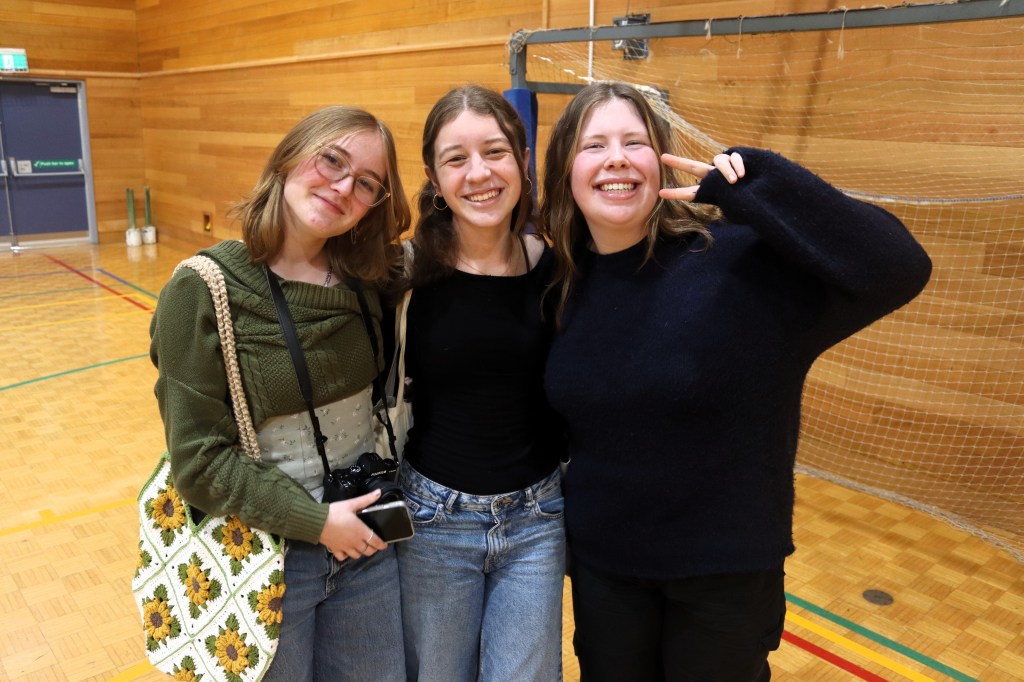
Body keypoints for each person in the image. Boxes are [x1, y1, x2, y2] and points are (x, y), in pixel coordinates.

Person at [539, 82, 932, 681]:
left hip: (724, 581)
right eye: (594, 145)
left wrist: (761, 187)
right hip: (606, 574)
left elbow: (899, 266)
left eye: (634, 142)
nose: (616, 159)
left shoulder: (739, 262)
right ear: (566, 170)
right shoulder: (559, 285)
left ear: (661, 160)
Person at [149, 105, 411, 681]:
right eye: (332, 160)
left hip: (368, 549)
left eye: (367, 183)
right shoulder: (202, 290)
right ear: (289, 157)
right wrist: (316, 522)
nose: (343, 188)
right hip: (268, 560)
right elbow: (198, 461)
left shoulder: (370, 278)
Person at [395, 84, 566, 681]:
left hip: (537, 519)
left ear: (523, 159)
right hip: (433, 522)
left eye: (495, 152)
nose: (479, 174)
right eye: (456, 159)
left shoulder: (554, 268)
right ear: (433, 178)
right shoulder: (405, 274)